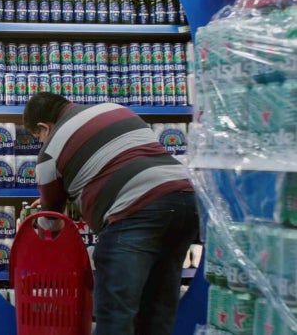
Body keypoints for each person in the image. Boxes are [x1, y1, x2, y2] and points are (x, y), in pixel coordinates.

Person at [23, 92, 199, 335]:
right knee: (157, 309)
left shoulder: (50, 151)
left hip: (135, 212)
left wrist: (47, 208)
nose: (41, 142)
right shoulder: (114, 109)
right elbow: (118, 164)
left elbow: (52, 222)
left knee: (116, 313)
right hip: (185, 199)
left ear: (44, 127)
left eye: (39, 136)